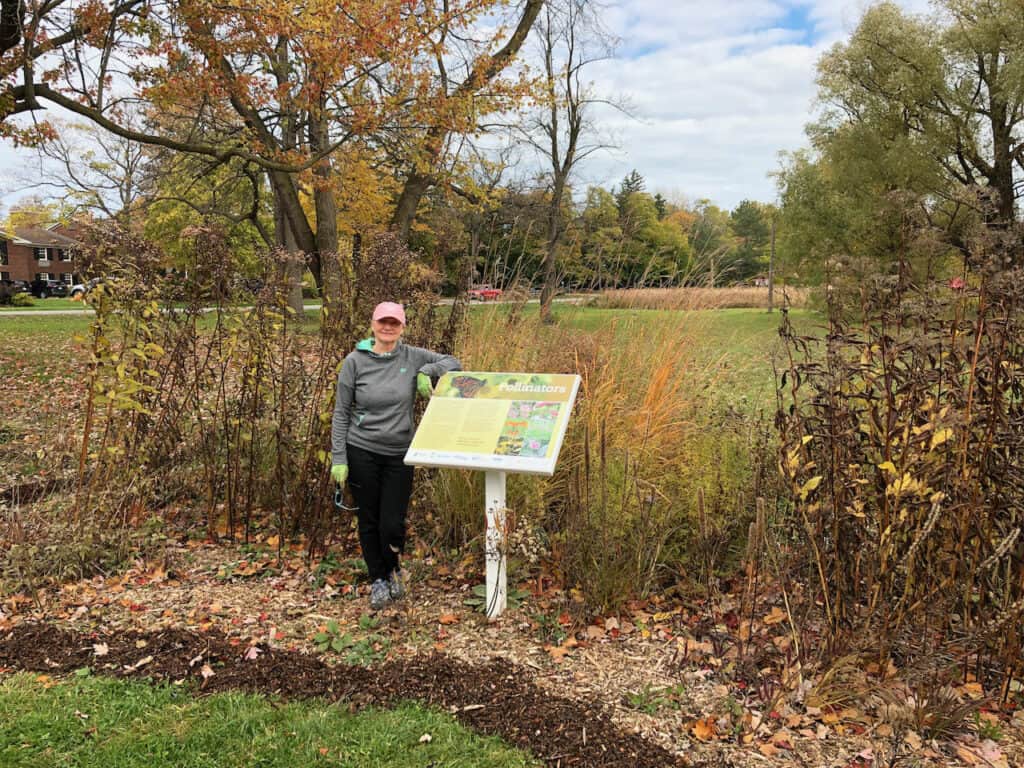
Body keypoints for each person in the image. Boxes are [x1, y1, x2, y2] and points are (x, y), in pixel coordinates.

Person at [330, 301, 461, 610]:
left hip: (400, 453)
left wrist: (426, 372)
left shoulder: (412, 356)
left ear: (402, 327)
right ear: (373, 324)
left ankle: (393, 566)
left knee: (392, 522)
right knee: (369, 519)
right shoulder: (354, 361)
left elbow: (453, 362)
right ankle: (379, 578)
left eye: (394, 323)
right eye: (382, 322)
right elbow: (340, 413)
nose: (388, 328)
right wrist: (339, 458)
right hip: (361, 450)